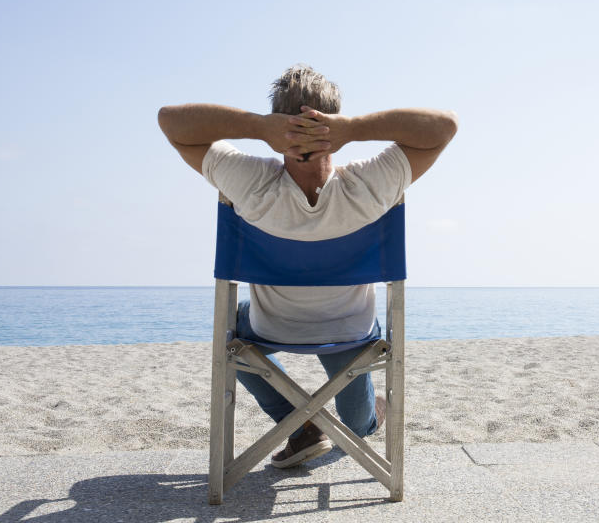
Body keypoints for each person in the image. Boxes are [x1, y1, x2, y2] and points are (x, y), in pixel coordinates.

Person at [158, 63, 457, 467]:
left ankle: (300, 425)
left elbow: (170, 121)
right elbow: (444, 126)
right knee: (361, 427)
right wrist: (351, 129)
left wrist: (260, 126)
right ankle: (354, 420)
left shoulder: (248, 182)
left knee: (230, 324)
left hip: (271, 327)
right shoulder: (371, 185)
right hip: (351, 333)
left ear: (277, 121)